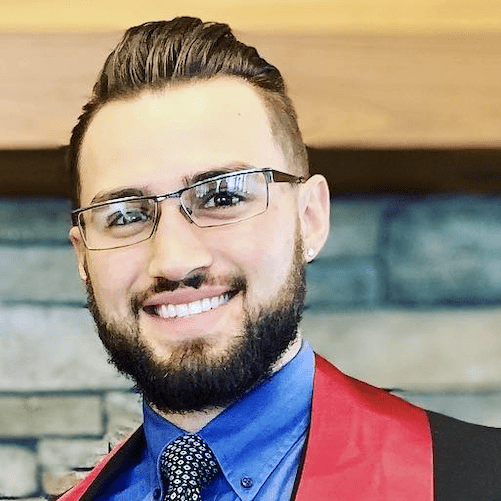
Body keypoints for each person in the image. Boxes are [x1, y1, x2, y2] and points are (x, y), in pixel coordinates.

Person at [62, 16, 501, 501]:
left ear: (309, 217)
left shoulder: (482, 481)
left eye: (222, 197)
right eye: (124, 215)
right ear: (83, 256)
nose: (174, 260)